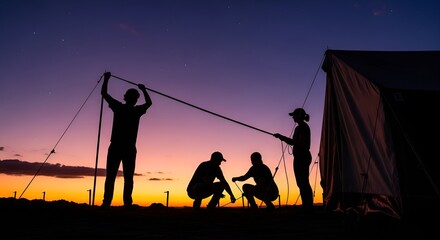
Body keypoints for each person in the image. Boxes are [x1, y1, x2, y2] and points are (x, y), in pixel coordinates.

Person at [101, 71, 153, 208]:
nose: (134, 100)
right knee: (126, 178)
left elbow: (104, 94)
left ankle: (109, 202)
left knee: (113, 177)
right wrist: (144, 89)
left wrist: (106, 79)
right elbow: (149, 103)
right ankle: (124, 203)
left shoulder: (120, 107)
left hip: (120, 147)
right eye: (134, 97)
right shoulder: (135, 111)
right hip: (125, 147)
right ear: (134, 99)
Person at [273, 107, 313, 212]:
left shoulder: (304, 127)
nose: (292, 118)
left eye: (294, 115)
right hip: (299, 157)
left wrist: (283, 137)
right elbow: (295, 142)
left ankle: (308, 206)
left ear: (299, 116)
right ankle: (307, 206)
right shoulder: (299, 128)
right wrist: (281, 137)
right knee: (301, 182)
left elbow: (301, 143)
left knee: (303, 181)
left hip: (302, 157)